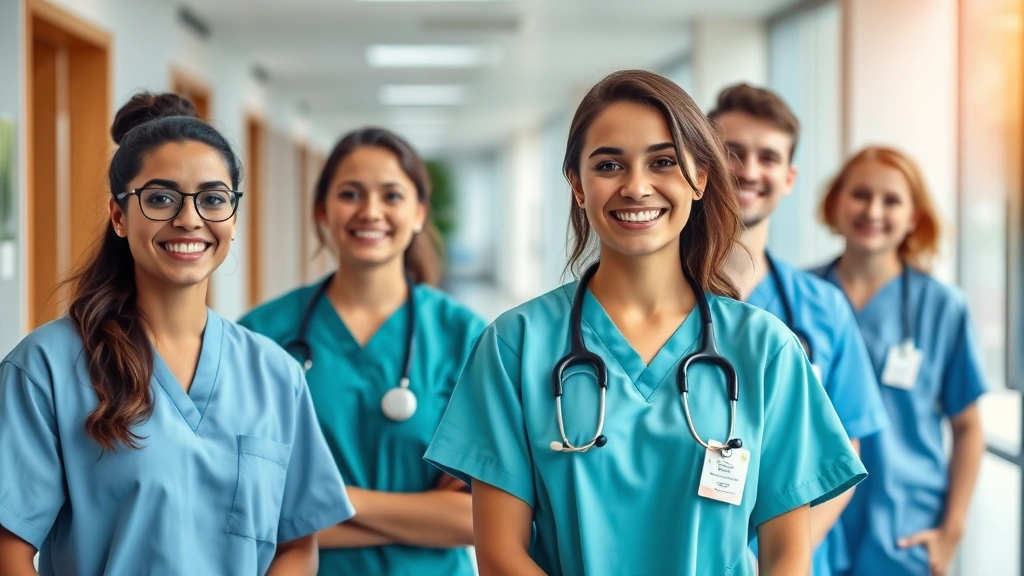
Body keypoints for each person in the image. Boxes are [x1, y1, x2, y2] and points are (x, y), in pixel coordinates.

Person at [423, 69, 866, 576]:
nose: (636, 187)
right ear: (577, 185)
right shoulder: (514, 345)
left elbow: (787, 556)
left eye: (663, 162)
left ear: (700, 178)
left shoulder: (765, 348)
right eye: (609, 164)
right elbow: (501, 557)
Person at [0, 93, 353, 575]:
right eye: (161, 198)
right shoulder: (45, 368)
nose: (189, 219)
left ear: (232, 217)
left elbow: (295, 545)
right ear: (119, 216)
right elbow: (9, 550)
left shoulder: (275, 374)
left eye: (212, 199)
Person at [239, 127, 485, 575]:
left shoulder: (464, 337)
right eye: (350, 194)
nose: (370, 212)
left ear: (418, 213)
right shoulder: (262, 335)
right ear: (322, 210)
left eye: (392, 196)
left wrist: (333, 502)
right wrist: (420, 514)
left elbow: (474, 518)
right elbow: (255, 510)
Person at [708, 84, 889, 576]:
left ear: (788, 178)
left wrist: (779, 557)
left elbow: (846, 451)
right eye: (732, 152)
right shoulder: (663, 297)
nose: (748, 170)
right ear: (701, 162)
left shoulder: (823, 308)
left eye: (768, 157)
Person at [813, 146, 986, 576]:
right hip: (811, 520)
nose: (873, 210)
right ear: (835, 203)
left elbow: (967, 427)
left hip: (903, 528)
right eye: (860, 194)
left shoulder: (943, 307)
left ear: (913, 217)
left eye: (891, 200)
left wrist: (953, 529)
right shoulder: (799, 299)